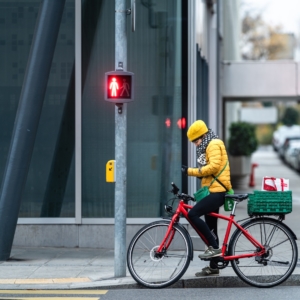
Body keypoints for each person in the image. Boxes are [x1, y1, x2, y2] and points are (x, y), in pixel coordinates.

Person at [181, 120, 232, 277]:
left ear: (203, 136)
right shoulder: (208, 145)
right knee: (211, 229)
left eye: (196, 141)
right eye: (193, 142)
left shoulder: (213, 144)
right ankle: (214, 266)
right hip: (212, 191)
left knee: (192, 214)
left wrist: (191, 171)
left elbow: (214, 167)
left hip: (218, 192)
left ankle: (214, 249)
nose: (196, 145)